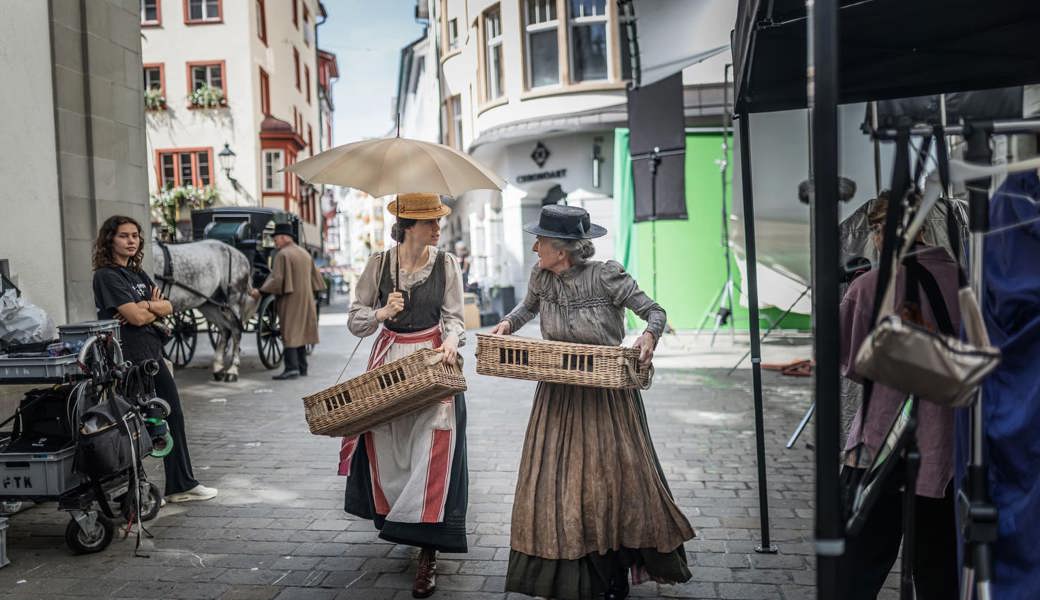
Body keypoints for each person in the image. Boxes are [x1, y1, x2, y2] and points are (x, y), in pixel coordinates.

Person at [492, 205, 694, 600]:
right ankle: (571, 570)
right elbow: (527, 309)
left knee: (612, 481)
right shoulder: (541, 277)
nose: (534, 248)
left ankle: (615, 566)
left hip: (607, 397)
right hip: (558, 395)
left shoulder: (605, 276)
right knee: (558, 483)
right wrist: (507, 324)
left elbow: (655, 311)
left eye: (540, 242)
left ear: (561, 250)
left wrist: (649, 337)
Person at [342, 193, 469, 599]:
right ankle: (402, 521)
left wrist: (451, 341)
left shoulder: (446, 264)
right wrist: (382, 313)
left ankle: (428, 549)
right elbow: (355, 320)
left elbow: (454, 317)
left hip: (432, 361)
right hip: (389, 362)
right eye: (431, 221)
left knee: (431, 448)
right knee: (391, 448)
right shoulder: (379, 265)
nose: (438, 228)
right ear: (409, 225)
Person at [837, 194, 960, 599]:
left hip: (881, 442)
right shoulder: (962, 280)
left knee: (857, 562)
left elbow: (854, 363)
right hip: (947, 445)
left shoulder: (869, 286)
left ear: (877, 233)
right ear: (923, 227)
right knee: (938, 567)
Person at [91, 215, 217, 503]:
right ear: (110, 239)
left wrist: (146, 305)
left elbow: (167, 305)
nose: (132, 240)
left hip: (152, 354)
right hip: (129, 360)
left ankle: (181, 485)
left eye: (135, 235)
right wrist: (149, 309)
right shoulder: (106, 276)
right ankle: (138, 492)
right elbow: (134, 318)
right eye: (124, 235)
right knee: (136, 424)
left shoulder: (136, 274)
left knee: (172, 415)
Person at [251, 222, 325, 380]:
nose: (275, 242)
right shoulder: (304, 253)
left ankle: (291, 368)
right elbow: (317, 280)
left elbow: (277, 280)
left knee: (290, 331)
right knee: (301, 332)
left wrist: (261, 291)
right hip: (306, 299)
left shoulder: (283, 254)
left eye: (276, 238)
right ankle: (302, 367)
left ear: (285, 238)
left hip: (290, 299)